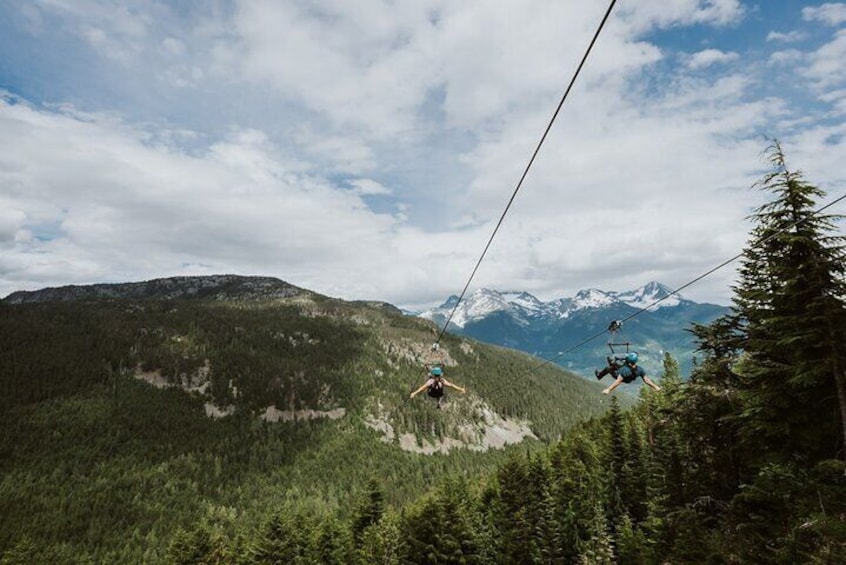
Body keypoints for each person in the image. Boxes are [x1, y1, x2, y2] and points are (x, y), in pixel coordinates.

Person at [596, 352, 661, 395]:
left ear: (628, 361)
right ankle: (613, 363)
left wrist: (608, 390)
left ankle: (599, 376)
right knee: (615, 364)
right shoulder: (639, 369)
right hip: (627, 376)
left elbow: (618, 381)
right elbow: (646, 380)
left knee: (608, 368)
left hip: (618, 375)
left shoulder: (625, 370)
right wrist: (655, 387)